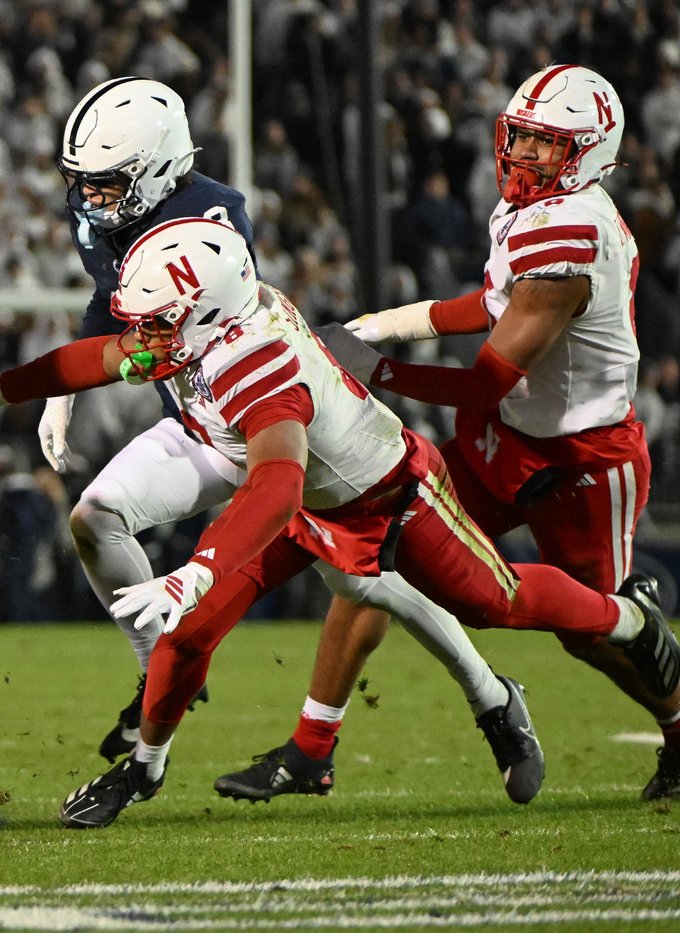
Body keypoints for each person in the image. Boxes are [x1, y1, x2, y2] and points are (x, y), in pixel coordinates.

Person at [0, 216, 680, 829]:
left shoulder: (254, 361)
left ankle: (627, 617)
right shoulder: (204, 323)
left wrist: (195, 568)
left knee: (491, 601)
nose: (145, 338)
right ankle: (145, 767)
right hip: (306, 503)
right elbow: (90, 360)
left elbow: (273, 483)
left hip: (387, 494)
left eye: (161, 324)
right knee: (188, 631)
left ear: (208, 315)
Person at [29, 77, 544, 804]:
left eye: (107, 184)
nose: (91, 200)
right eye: (84, 182)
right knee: (96, 517)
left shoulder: (210, 221)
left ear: (157, 168)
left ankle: (493, 696)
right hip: (202, 420)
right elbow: (107, 304)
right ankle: (157, 681)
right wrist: (64, 387)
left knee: (366, 581)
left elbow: (195, 335)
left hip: (272, 421)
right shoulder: (109, 218)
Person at [285, 64, 680, 803]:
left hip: (584, 454)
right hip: (511, 433)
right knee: (381, 541)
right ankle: (312, 745)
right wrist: (381, 326)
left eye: (545, 144)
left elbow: (483, 380)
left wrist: (379, 371)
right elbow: (490, 305)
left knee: (592, 630)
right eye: (521, 137)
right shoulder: (533, 214)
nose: (524, 155)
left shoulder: (572, 236)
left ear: (589, 152)